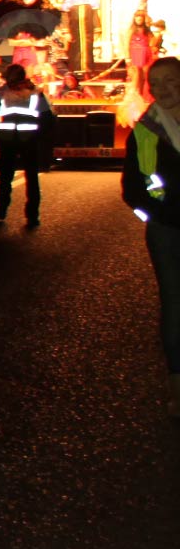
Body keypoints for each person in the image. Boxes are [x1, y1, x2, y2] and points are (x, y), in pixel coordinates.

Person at [122, 57, 180, 419]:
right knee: (175, 305)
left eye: (170, 80)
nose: (162, 89)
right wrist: (157, 216)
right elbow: (132, 190)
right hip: (167, 232)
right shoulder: (144, 131)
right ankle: (178, 389)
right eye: (155, 83)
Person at [0, 64, 51, 228]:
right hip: (28, 139)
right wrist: (41, 138)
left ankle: (2, 210)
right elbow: (47, 118)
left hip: (8, 139)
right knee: (30, 178)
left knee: (5, 177)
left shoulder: (1, 93)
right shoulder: (35, 93)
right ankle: (32, 215)